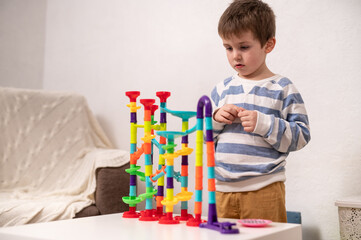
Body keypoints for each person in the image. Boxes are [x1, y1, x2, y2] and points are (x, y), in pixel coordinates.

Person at [211, 0, 311, 222]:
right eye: (228, 47)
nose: (235, 55)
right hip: (220, 190)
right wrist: (216, 120)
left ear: (268, 44)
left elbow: (302, 136)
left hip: (264, 188)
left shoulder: (282, 88)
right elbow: (200, 138)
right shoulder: (221, 89)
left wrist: (264, 124)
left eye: (243, 47)